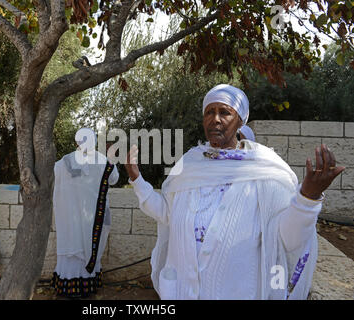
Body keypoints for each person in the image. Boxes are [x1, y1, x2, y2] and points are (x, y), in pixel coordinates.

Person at [124, 84, 344, 300]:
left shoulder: (265, 169)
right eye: (209, 112)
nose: (215, 119)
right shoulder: (190, 164)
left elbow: (286, 239)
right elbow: (167, 214)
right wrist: (136, 178)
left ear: (240, 121)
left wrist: (308, 198)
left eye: (224, 112)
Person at [52, 128, 119, 298]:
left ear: (76, 142)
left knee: (73, 248)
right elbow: (114, 178)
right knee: (88, 247)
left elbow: (51, 177)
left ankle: (68, 287)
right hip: (91, 220)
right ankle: (86, 287)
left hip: (71, 219)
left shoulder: (64, 162)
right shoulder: (102, 160)